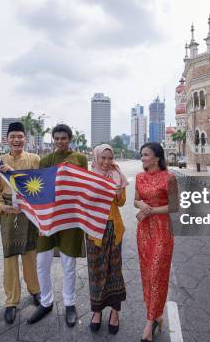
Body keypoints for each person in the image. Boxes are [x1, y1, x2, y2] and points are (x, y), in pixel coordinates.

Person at [27, 124, 88, 327]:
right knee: (42, 261)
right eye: (57, 138)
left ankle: (70, 304)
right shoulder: (45, 161)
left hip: (70, 217)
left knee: (68, 263)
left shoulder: (80, 159)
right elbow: (38, 187)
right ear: (53, 140)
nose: (61, 141)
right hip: (49, 217)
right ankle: (46, 302)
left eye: (64, 138)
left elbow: (84, 186)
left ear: (70, 139)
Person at [0, 122, 41, 325]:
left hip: (28, 211)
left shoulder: (35, 159)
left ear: (25, 139)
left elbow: (38, 184)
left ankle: (35, 290)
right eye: (13, 137)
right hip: (9, 212)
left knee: (30, 253)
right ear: (7, 139)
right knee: (10, 256)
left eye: (20, 136)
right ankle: (11, 301)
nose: (17, 140)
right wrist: (1, 206)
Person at [134, 142, 179, 342]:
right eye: (142, 155)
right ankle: (156, 315)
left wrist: (150, 210)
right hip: (144, 231)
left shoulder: (169, 178)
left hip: (162, 230)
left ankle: (150, 321)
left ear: (157, 157)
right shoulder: (139, 177)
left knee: (157, 274)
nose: (142, 158)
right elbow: (135, 200)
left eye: (146, 154)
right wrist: (142, 204)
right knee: (147, 275)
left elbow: (175, 206)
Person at [86, 144, 128, 335]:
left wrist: (118, 191)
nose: (106, 162)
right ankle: (96, 311)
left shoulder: (118, 174)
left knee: (114, 271)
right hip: (94, 230)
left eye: (110, 158)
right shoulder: (89, 177)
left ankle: (115, 312)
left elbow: (121, 202)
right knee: (96, 271)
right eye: (103, 158)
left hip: (114, 228)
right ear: (96, 158)